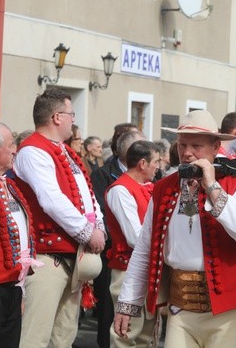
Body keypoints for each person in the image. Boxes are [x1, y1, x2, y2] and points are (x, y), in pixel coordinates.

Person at [113, 110, 236, 347]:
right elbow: (144, 249)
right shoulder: (163, 188)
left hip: (228, 312)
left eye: (196, 145)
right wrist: (128, 303)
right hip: (180, 308)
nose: (187, 152)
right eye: (182, 145)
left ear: (215, 147)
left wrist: (212, 186)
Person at [14, 88, 106, 347]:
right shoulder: (33, 150)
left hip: (71, 256)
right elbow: (52, 200)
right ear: (56, 117)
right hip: (47, 258)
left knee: (63, 336)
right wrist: (89, 232)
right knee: (35, 337)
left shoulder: (65, 151)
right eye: (71, 114)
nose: (73, 120)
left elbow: (87, 197)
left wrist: (97, 225)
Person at [90, 127, 143, 348]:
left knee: (138, 323)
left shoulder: (152, 175)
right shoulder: (103, 175)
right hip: (113, 255)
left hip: (138, 258)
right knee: (109, 313)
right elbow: (102, 213)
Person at [106, 140, 160, 347]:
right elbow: (135, 237)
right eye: (156, 161)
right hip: (127, 272)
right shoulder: (120, 190)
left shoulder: (145, 187)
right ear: (143, 163)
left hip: (146, 270)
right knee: (126, 334)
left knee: (146, 335)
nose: (158, 166)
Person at [0, 121, 40, 348]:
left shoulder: (9, 185)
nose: (15, 150)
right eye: (11, 145)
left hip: (11, 288)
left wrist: (20, 289)